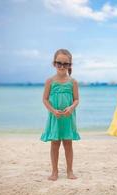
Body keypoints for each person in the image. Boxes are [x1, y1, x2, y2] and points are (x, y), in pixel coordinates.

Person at [41, 49, 80, 181]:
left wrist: (71, 107)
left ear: (69, 65)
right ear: (54, 64)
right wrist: (53, 110)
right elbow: (45, 99)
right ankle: (54, 171)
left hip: (68, 117)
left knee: (68, 144)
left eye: (65, 64)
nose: (62, 66)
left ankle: (70, 170)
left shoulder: (73, 82)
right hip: (55, 117)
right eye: (59, 63)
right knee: (55, 144)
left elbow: (77, 99)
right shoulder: (49, 81)